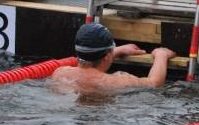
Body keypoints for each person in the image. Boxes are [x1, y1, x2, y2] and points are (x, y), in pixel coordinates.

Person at [50, 22, 178, 93]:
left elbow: (90, 60)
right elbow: (154, 83)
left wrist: (116, 51)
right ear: (106, 56)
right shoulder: (115, 82)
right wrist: (161, 55)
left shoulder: (60, 73)